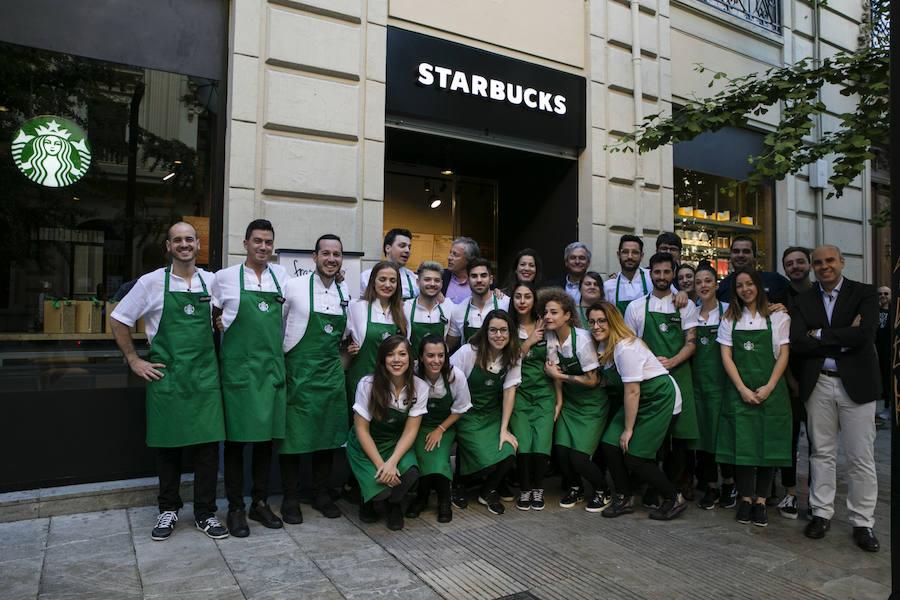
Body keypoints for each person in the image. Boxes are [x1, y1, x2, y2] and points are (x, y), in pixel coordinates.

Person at [110, 222, 227, 540]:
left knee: (207, 449)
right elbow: (119, 318)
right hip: (167, 377)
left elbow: (233, 309)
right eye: (178, 240)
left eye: (189, 239)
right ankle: (168, 510)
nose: (184, 244)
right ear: (168, 246)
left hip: (204, 377)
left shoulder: (212, 281)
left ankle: (205, 514)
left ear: (198, 245)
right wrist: (134, 360)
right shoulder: (150, 283)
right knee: (167, 448)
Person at [790, 245, 881, 552]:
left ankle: (862, 521)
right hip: (819, 383)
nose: (824, 266)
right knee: (821, 453)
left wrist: (820, 335)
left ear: (842, 262)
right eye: (818, 263)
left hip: (856, 385)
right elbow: (798, 342)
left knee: (860, 456)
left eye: (830, 261)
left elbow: (866, 335)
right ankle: (821, 513)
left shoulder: (865, 293)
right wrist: (842, 337)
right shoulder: (804, 300)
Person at [211, 219, 287, 537]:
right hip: (238, 373)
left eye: (268, 242)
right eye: (257, 241)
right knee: (235, 443)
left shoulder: (282, 277)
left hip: (269, 371)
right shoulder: (224, 278)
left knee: (264, 443)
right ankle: (235, 508)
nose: (263, 247)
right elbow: (213, 321)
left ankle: (259, 502)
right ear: (245, 244)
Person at [278, 234, 352, 523]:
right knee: (293, 440)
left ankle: (321, 494)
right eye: (326, 253)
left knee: (326, 437)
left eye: (336, 254)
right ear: (314, 257)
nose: (331, 259)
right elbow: (275, 324)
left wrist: (348, 356)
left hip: (331, 376)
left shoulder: (345, 293)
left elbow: (346, 338)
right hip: (298, 373)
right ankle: (290, 497)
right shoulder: (293, 287)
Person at [592, 302, 687, 520]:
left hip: (659, 399)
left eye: (602, 321)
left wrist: (628, 429)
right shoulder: (608, 345)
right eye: (592, 321)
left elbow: (632, 391)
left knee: (635, 458)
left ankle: (673, 498)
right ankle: (625, 497)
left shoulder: (625, 348)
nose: (596, 326)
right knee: (609, 445)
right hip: (640, 399)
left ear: (613, 321)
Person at [717, 267, 792, 527]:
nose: (745, 289)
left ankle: (761, 500)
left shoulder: (778, 317)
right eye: (739, 285)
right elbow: (726, 356)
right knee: (744, 447)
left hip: (771, 391)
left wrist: (770, 386)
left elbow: (783, 354)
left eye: (749, 284)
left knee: (768, 447)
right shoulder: (729, 318)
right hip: (740, 391)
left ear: (759, 286)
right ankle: (746, 499)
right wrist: (742, 388)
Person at [624, 252, 699, 505]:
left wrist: (673, 361)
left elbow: (692, 343)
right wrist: (653, 364)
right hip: (650, 379)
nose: (662, 277)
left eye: (667, 272)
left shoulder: (685, 305)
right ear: (650, 273)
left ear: (673, 273)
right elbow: (631, 344)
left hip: (680, 373)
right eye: (657, 272)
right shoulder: (636, 307)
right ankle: (650, 487)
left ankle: (673, 486)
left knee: (678, 440)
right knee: (652, 436)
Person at [346, 335, 429, 530]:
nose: (397, 360)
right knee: (380, 491)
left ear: (410, 358)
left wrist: (392, 463)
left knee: (410, 473)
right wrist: (381, 465)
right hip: (366, 444)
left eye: (402, 354)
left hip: (395, 442)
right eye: (390, 355)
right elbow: (361, 430)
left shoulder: (420, 387)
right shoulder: (367, 384)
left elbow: (411, 430)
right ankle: (368, 499)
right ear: (382, 359)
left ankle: (394, 505)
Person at [541, 289, 612, 512]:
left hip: (592, 404)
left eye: (554, 312)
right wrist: (559, 402)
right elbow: (556, 375)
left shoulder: (582, 341)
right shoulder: (551, 337)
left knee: (579, 457)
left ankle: (603, 491)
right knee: (561, 452)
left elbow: (592, 380)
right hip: (570, 403)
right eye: (546, 312)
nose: (548, 317)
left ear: (567, 315)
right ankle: (576, 488)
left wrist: (559, 376)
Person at [450, 310, 521, 515]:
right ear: (485, 332)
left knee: (508, 450)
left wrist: (504, 429)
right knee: (483, 460)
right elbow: (448, 379)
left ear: (511, 333)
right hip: (466, 413)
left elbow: (509, 391)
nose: (499, 335)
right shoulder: (468, 352)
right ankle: (459, 485)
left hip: (492, 414)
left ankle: (488, 490)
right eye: (493, 330)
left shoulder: (513, 355)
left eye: (503, 330)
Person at [406, 334, 472, 522]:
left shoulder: (455, 375)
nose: (436, 361)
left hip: (446, 425)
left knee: (439, 455)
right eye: (430, 355)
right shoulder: (412, 375)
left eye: (441, 355)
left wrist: (440, 429)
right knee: (421, 454)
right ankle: (422, 497)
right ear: (420, 357)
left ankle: (444, 499)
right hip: (418, 425)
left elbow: (461, 409)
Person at [769, 246, 814, 519]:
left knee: (820, 443)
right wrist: (789, 379)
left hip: (818, 374)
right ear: (784, 268)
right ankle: (789, 493)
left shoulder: (821, 295)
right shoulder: (780, 297)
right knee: (788, 439)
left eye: (800, 262)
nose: (795, 267)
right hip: (789, 376)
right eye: (790, 263)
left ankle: (818, 500)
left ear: (808, 264)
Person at [691, 263, 736, 510]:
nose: (704, 286)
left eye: (708, 281)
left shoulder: (730, 311)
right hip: (699, 386)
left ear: (716, 284)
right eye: (699, 283)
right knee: (703, 438)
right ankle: (711, 486)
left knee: (723, 436)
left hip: (723, 385)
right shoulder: (691, 313)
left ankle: (729, 483)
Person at [508, 281, 555, 510]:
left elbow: (555, 365)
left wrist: (559, 400)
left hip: (545, 393)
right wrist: (529, 342)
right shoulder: (507, 326)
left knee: (542, 443)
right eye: (518, 296)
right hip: (519, 392)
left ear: (534, 300)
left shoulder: (546, 325)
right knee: (524, 442)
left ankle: (538, 489)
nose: (523, 301)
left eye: (527, 296)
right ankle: (525, 489)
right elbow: (508, 361)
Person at [345, 261, 410, 407]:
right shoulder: (356, 307)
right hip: (360, 379)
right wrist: (348, 348)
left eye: (392, 281)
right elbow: (341, 339)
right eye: (382, 279)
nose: (387, 285)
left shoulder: (403, 311)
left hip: (392, 382)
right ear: (373, 281)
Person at [447, 258, 510, 352]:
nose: (479, 280)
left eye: (483, 275)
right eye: (474, 276)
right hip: (470, 365)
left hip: (500, 364)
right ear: (468, 280)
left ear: (491, 279)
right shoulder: (458, 310)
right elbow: (449, 346)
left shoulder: (506, 303)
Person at [716, 236, 789, 302]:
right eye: (736, 251)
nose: (740, 255)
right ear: (731, 255)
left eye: (746, 251)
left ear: (754, 256)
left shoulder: (774, 279)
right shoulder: (723, 285)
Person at [405, 261, 454, 352]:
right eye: (427, 279)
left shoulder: (449, 307)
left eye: (437, 280)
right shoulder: (406, 308)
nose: (432, 284)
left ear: (441, 284)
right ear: (418, 282)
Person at [360, 228, 419, 299]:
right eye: (402, 246)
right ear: (387, 248)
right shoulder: (366, 276)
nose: (407, 250)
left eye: (409, 247)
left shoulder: (414, 278)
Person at [603, 234, 650, 315]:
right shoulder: (608, 287)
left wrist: (680, 294)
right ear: (618, 255)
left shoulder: (652, 278)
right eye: (625, 252)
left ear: (641, 256)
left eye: (635, 252)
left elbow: (673, 296)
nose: (630, 257)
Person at [442, 237, 481, 304]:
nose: (449, 258)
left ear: (469, 259)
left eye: (455, 254)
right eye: (450, 253)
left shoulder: (482, 281)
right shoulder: (441, 276)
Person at [875, 285, 891, 425]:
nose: (883, 296)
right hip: (876, 352)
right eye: (880, 293)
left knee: (890, 379)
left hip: (890, 352)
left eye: (886, 293)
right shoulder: (874, 311)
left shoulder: (894, 312)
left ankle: (889, 407)